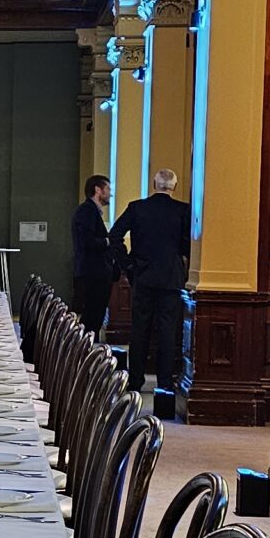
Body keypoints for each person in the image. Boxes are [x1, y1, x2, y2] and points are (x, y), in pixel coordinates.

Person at [110, 166, 192, 394]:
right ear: (173, 187)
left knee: (140, 329)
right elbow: (188, 243)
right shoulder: (182, 210)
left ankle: (136, 379)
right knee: (167, 330)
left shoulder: (137, 208)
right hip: (171, 277)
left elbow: (115, 235)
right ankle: (164, 382)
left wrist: (127, 264)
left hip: (142, 275)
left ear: (155, 185)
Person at [71, 173, 113, 336]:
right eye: (108, 189)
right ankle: (86, 352)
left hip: (94, 272)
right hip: (93, 273)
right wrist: (108, 241)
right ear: (98, 190)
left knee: (94, 315)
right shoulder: (87, 211)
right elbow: (87, 241)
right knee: (91, 317)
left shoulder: (90, 211)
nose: (110, 193)